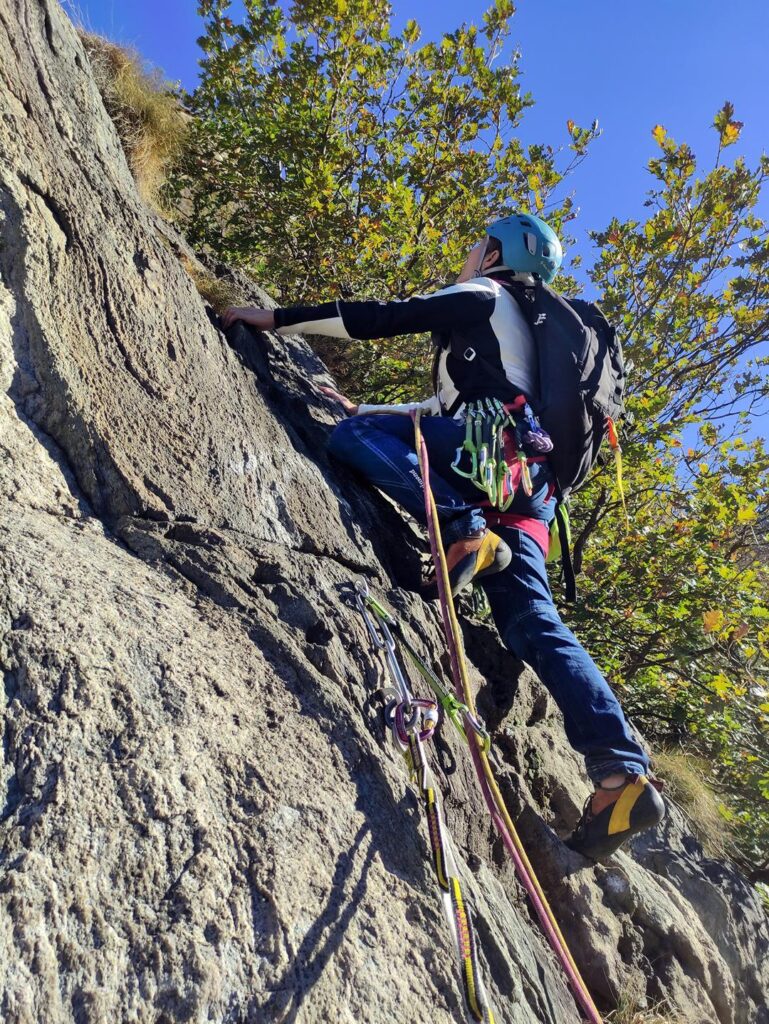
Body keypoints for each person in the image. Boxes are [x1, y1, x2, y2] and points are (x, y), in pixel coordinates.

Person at [221, 213, 665, 860]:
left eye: (473, 248)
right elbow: (440, 414)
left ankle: (462, 528)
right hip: (532, 488)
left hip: (484, 455)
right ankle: (621, 771)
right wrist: (368, 409)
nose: (465, 258)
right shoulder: (540, 339)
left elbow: (382, 316)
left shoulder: (486, 295)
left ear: (493, 255)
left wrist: (276, 318)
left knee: (350, 439)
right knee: (531, 619)